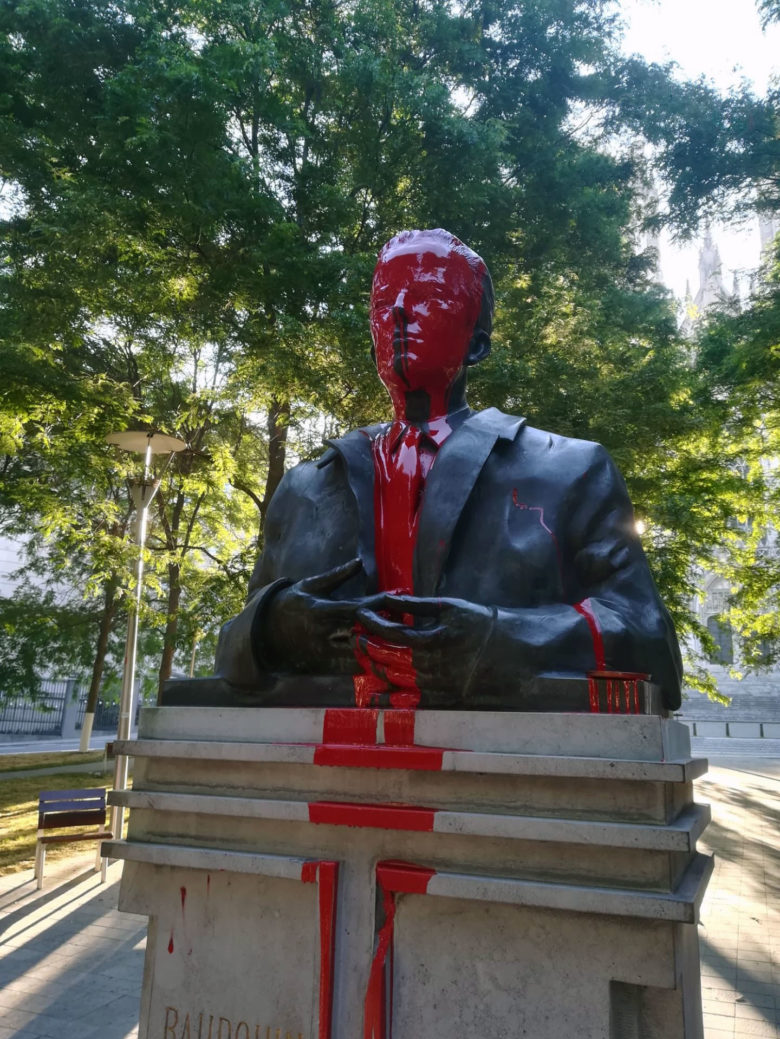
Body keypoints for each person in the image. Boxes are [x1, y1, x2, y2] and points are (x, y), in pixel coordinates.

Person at [214, 228, 682, 711]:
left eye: (428, 298)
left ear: (477, 344)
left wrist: (507, 640)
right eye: (381, 301)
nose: (395, 312)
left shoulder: (572, 471)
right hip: (317, 762)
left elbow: (654, 647)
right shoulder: (304, 487)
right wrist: (272, 627)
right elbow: (231, 649)